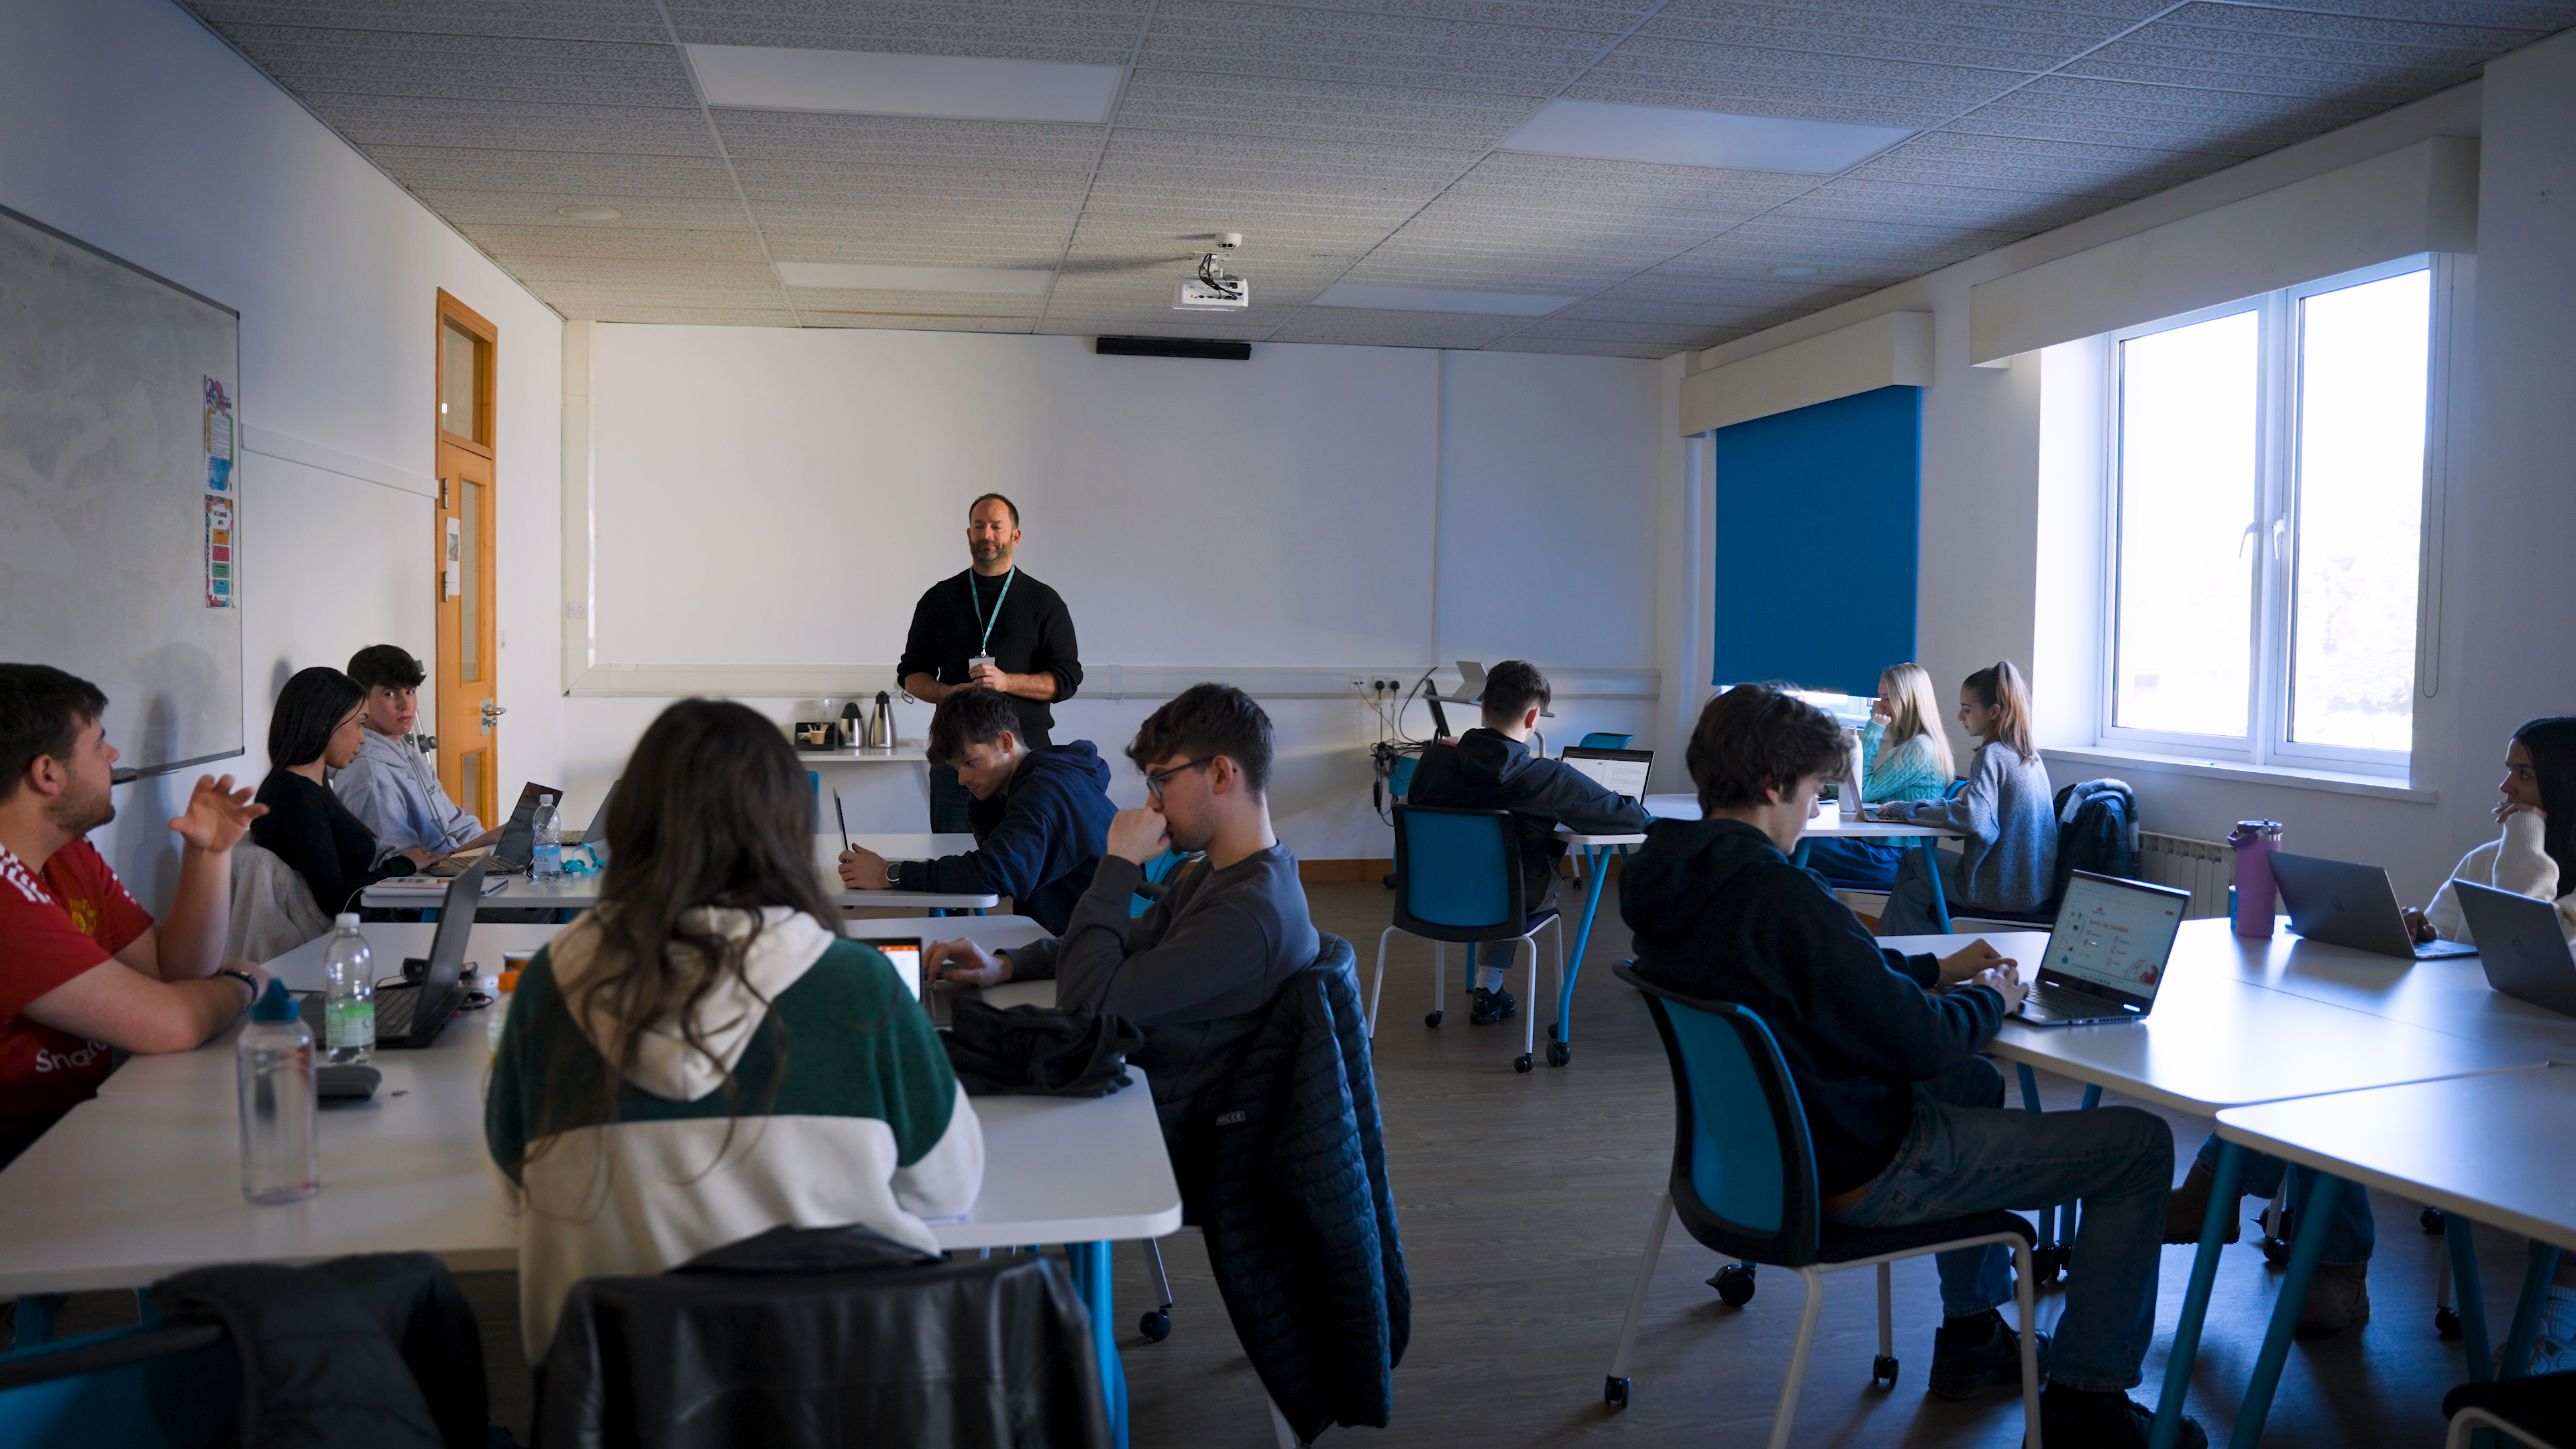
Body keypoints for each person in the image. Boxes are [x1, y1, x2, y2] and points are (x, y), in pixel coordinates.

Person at [1621, 684, 2196, 1448]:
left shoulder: (1677, 877)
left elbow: (1830, 977)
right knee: (2139, 1146)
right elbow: (1920, 1041)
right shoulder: (1780, 895)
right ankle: (2086, 1404)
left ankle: (1974, 1336)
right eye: (1815, 791)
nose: (1814, 810)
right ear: (1772, 785)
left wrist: (1933, 970)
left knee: (1973, 1083)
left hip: (1755, 1162)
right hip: (1859, 1168)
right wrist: (1991, 997)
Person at [485, 698, 983, 1360]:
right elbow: (948, 1189)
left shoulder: (552, 982)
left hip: (619, 1387)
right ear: (785, 828)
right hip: (836, 1380)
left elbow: (515, 1193)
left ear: (633, 826)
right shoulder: (859, 985)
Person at [2167, 715, 2576, 1346]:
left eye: (2523, 774)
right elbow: (2444, 942)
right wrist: (2417, 928)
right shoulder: (2486, 859)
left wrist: (2525, 835)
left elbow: (2529, 946)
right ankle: (2322, 1259)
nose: (2506, 788)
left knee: (2339, 1081)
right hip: (2458, 1046)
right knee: (2320, 1066)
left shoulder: (2514, 859)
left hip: (2532, 1080)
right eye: (2508, 772)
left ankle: (2232, 1208)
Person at [922, 684, 1318, 1142]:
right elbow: (1138, 935)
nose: (1152, 803)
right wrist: (1008, 965)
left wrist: (1120, 862)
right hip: (1150, 1086)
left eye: (1162, 781)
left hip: (1169, 1123)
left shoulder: (1247, 912)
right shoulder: (1229, 874)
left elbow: (1086, 1004)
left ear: (1220, 775)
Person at [0, 664, 274, 1165]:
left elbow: (173, 970)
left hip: (82, 1129)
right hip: (23, 1160)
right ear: (47, 773)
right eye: (98, 744)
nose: (114, 756)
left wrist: (209, 854)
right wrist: (243, 982)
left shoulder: (68, 853)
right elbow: (172, 1022)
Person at [1403, 659, 1649, 1024]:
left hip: (1431, 896)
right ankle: (1488, 986)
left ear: (1483, 707)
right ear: (1534, 717)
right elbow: (1632, 818)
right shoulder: (1547, 777)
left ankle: (1489, 988)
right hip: (1508, 902)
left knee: (1498, 873)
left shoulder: (1433, 760)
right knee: (1512, 877)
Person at [837, 687, 1116, 935]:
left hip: (1094, 938)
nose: (962, 779)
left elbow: (993, 873)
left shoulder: (1044, 790)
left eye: (970, 762)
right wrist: (984, 799)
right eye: (957, 768)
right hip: (1071, 925)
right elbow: (994, 859)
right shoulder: (1031, 782)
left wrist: (890, 874)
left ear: (1005, 743)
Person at [896, 494, 1083, 835]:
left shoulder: (1044, 601)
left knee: (1029, 856)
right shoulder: (938, 599)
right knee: (953, 851)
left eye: (997, 526)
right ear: (969, 534)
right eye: (979, 526)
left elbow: (1066, 680)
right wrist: (952, 693)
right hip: (957, 759)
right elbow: (911, 676)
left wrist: (1007, 683)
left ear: (1015, 535)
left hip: (1025, 759)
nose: (987, 534)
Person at [1875, 661, 2057, 933]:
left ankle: (1887, 950)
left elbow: (1973, 818)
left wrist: (1907, 811)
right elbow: (1976, 810)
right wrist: (1919, 807)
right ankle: (1913, 953)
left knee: (1913, 857)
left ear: (1994, 712)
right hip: (2034, 890)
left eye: (1967, 709)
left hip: (2000, 890)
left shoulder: (1991, 755)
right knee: (1913, 893)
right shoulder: (2028, 756)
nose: (1960, 716)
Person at [252, 667, 437, 917]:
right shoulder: (297, 797)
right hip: (353, 931)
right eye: (359, 724)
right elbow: (337, 901)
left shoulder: (306, 786)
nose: (363, 738)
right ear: (325, 723)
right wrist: (404, 865)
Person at [331, 643, 500, 865]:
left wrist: (492, 844)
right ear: (362, 701)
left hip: (451, 868)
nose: (406, 705)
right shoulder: (369, 776)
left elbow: (453, 822)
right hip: (425, 882)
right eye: (390, 694)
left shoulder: (406, 752)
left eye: (410, 692)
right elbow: (400, 865)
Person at [1805, 662, 1957, 892]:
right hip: (1881, 850)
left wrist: (1872, 733)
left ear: (1909, 700)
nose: (1880, 705)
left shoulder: (1919, 749)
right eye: (1880, 697)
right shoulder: (1910, 744)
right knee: (1790, 847)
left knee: (1790, 842)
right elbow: (1866, 789)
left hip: (1891, 859)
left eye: (1887, 698)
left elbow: (1863, 791)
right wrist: (1825, 790)